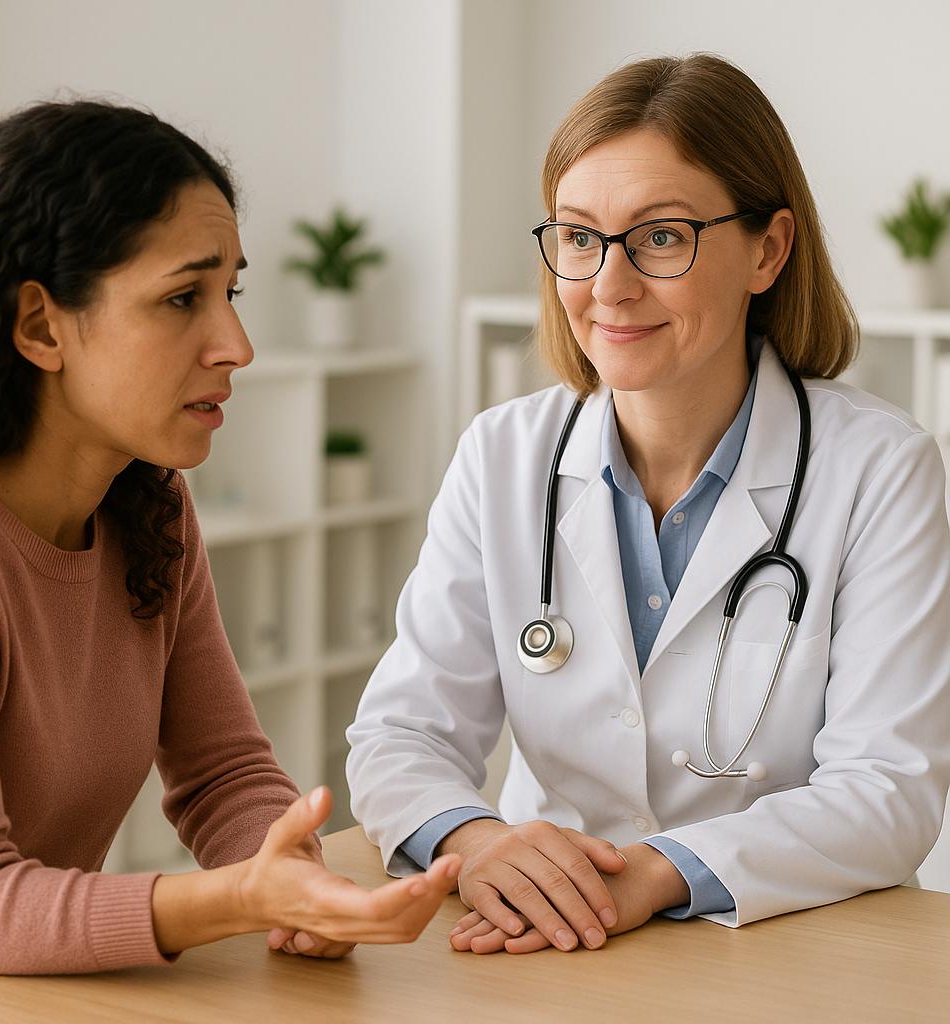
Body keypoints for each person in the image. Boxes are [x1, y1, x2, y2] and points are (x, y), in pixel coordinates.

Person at [346, 53, 950, 955]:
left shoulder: (879, 467)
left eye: (662, 237)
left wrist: (656, 873)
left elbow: (886, 790)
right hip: (545, 947)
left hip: (788, 951)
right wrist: (476, 844)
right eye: (579, 238)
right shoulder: (503, 455)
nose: (609, 285)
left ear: (768, 250)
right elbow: (401, 734)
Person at [0, 100, 460, 997]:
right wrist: (239, 898)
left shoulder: (150, 506)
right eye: (182, 299)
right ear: (41, 326)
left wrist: (296, 881)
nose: (237, 346)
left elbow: (222, 773)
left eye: (230, 294)